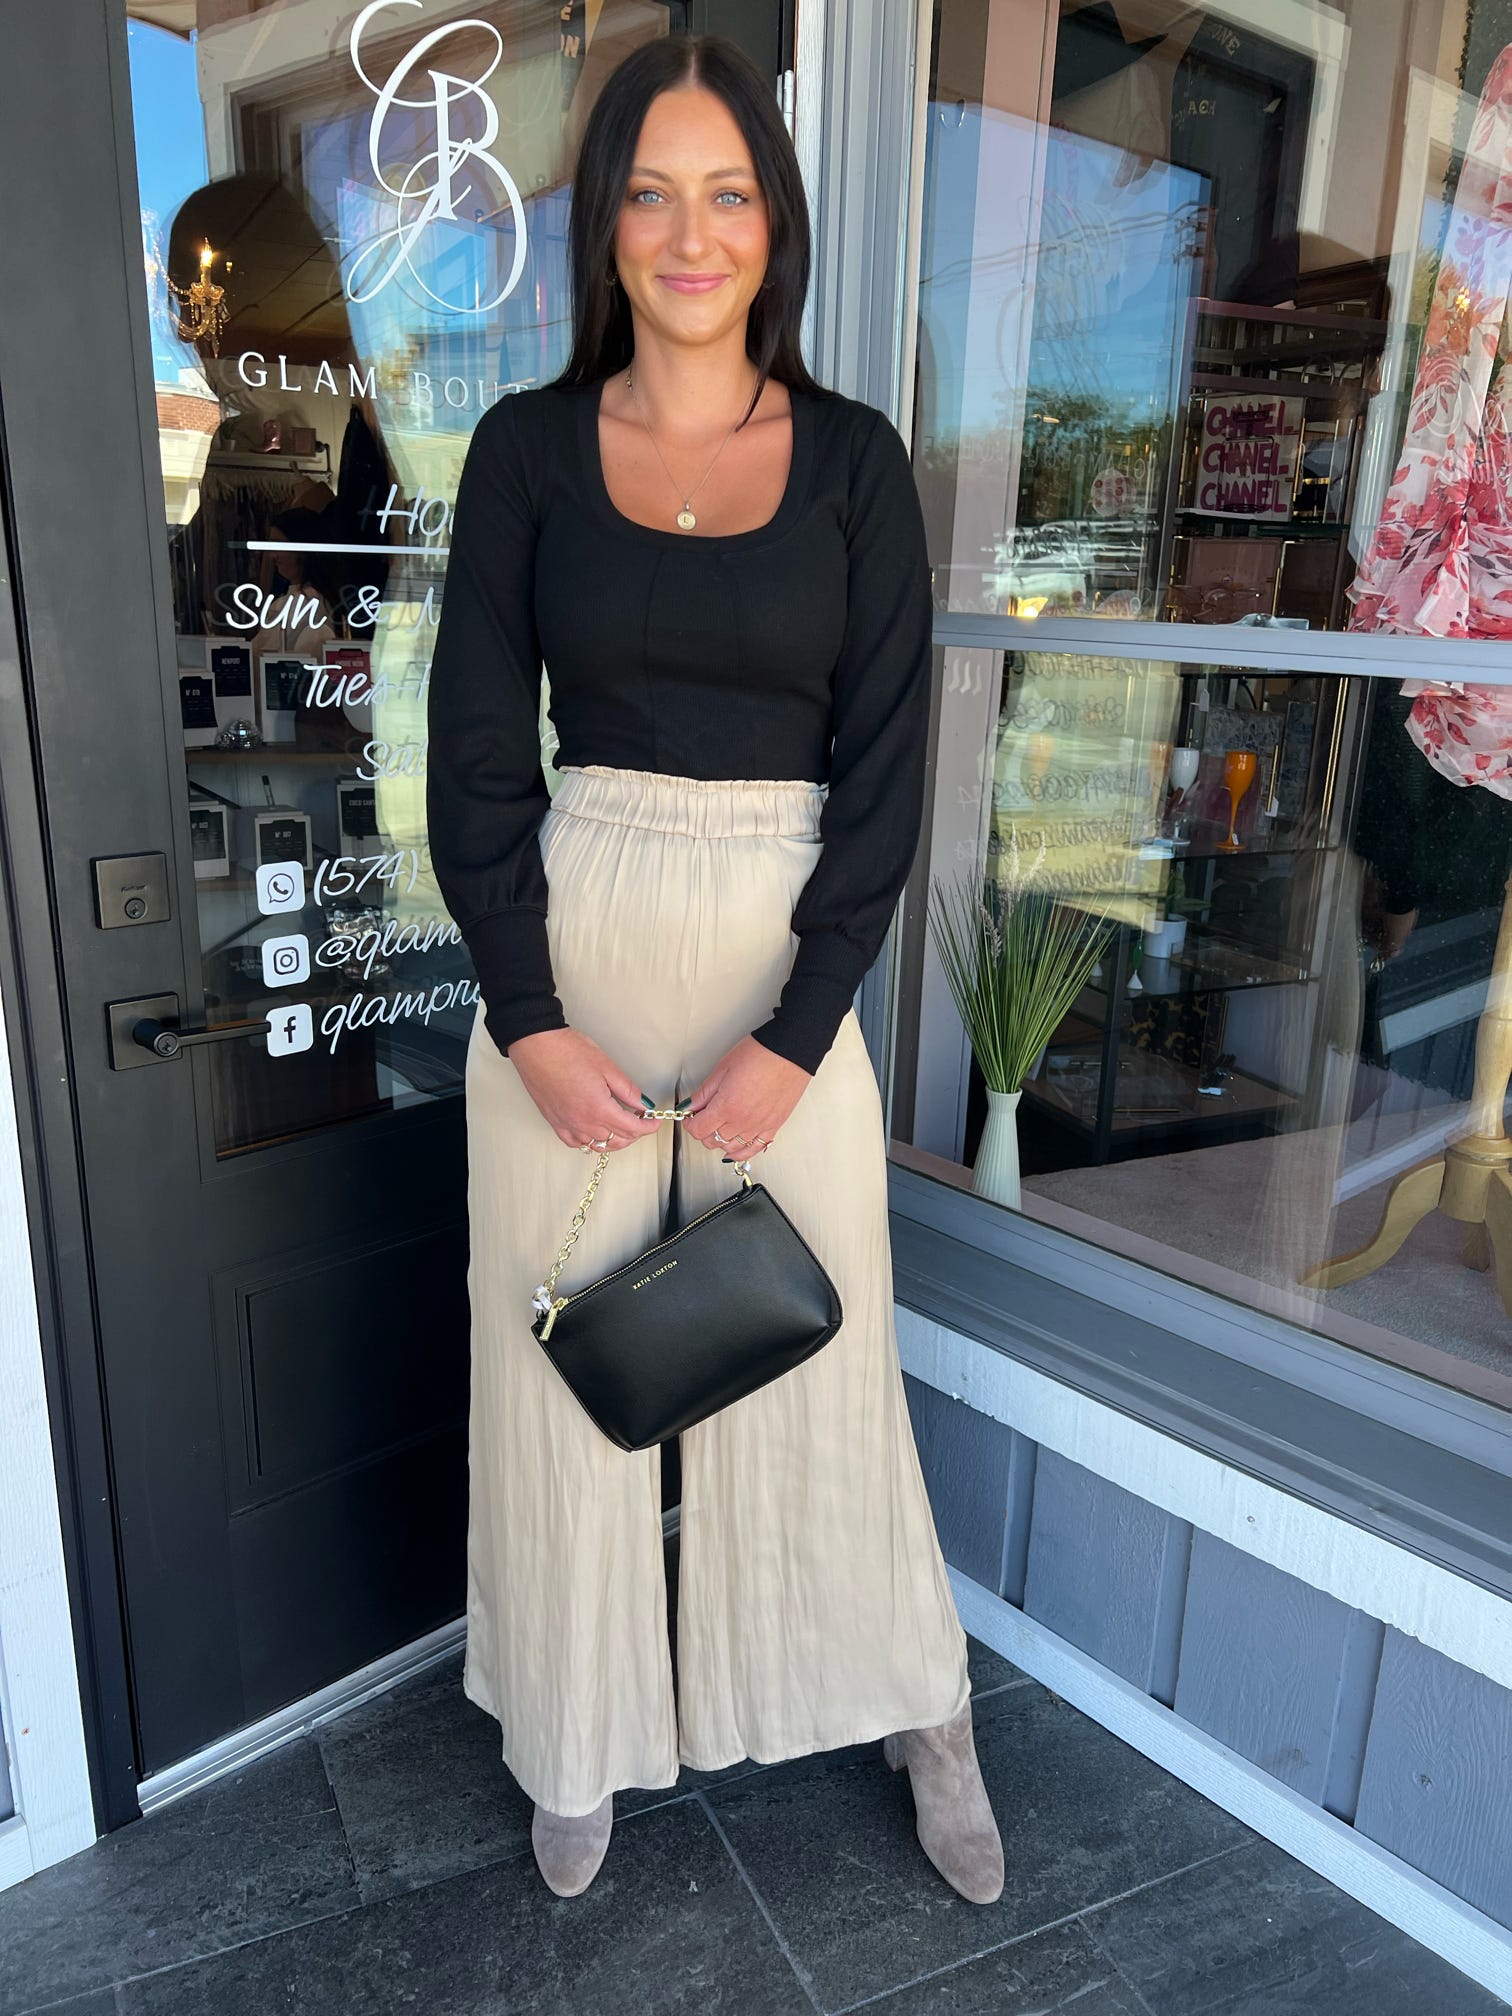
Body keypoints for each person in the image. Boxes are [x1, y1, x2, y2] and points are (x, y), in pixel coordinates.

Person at [425, 34, 1005, 1906]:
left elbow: (889, 774)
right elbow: (473, 759)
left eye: (729, 192)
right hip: (572, 959)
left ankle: (917, 1705)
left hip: (783, 971)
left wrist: (801, 1033)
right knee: (560, 1370)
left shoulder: (853, 463)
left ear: (777, 222)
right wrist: (526, 1019)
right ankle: (574, 1725)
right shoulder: (526, 454)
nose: (692, 235)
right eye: (652, 194)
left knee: (815, 1367)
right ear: (606, 225)